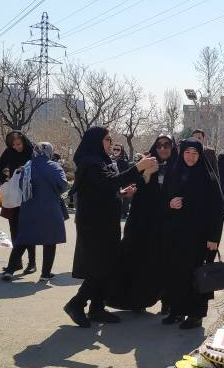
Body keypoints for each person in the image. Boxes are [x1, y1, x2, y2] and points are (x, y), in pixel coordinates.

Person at [64, 127, 157, 328]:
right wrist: (138, 167)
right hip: (94, 224)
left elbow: (106, 187)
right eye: (107, 139)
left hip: (107, 221)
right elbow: (108, 182)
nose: (110, 143)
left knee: (108, 265)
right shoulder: (90, 163)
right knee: (99, 266)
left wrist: (121, 193)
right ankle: (77, 303)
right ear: (96, 141)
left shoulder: (103, 161)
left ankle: (97, 308)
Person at [162, 140, 224, 329]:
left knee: (197, 274)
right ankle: (177, 310)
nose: (190, 157)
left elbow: (218, 209)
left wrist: (214, 238)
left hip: (200, 237)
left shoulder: (208, 177)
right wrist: (169, 204)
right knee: (177, 274)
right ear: (181, 153)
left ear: (200, 155)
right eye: (187, 152)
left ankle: (196, 314)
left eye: (195, 153)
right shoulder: (174, 173)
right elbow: (161, 200)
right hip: (176, 235)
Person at [111, 134, 178, 312]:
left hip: (167, 223)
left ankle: (167, 302)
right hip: (143, 222)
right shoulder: (146, 163)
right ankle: (137, 300)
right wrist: (146, 176)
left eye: (167, 145)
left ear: (172, 147)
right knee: (138, 262)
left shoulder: (178, 166)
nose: (162, 149)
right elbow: (137, 188)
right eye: (159, 145)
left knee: (165, 263)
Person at [9, 142, 68, 282]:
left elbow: (21, 185)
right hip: (50, 208)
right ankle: (45, 274)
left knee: (23, 238)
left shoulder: (27, 167)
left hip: (29, 208)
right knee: (50, 240)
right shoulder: (54, 166)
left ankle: (10, 270)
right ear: (49, 151)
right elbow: (63, 185)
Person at [0, 131, 36, 277]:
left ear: (24, 141)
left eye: (18, 144)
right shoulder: (9, 152)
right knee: (14, 228)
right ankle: (16, 262)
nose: (16, 147)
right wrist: (6, 180)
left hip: (28, 195)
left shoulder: (32, 151)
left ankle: (32, 263)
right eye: (13, 145)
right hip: (13, 194)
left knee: (28, 229)